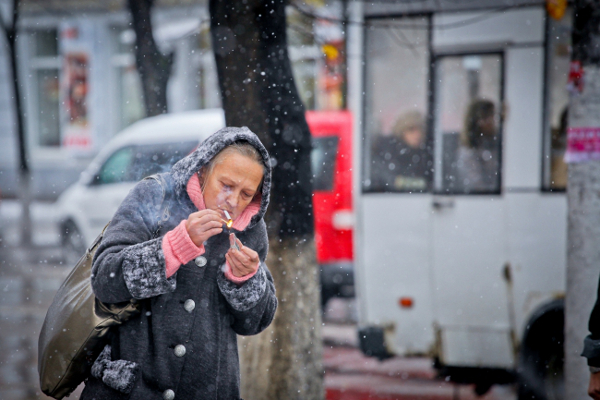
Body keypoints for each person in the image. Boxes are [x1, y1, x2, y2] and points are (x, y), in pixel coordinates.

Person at [81, 127, 277, 400]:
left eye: (246, 194)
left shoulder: (251, 230)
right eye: (227, 185)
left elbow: (254, 323)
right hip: (131, 389)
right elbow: (105, 280)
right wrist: (175, 246)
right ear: (204, 170)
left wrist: (246, 280)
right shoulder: (156, 195)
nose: (233, 201)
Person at [370, 110, 429, 191]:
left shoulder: (425, 154)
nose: (417, 134)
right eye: (411, 129)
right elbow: (392, 181)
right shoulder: (387, 152)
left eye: (421, 129)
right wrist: (423, 184)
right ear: (401, 131)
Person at [455, 99, 501, 193]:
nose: (494, 122)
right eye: (491, 117)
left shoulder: (494, 144)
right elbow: (477, 187)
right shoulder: (468, 152)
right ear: (480, 121)